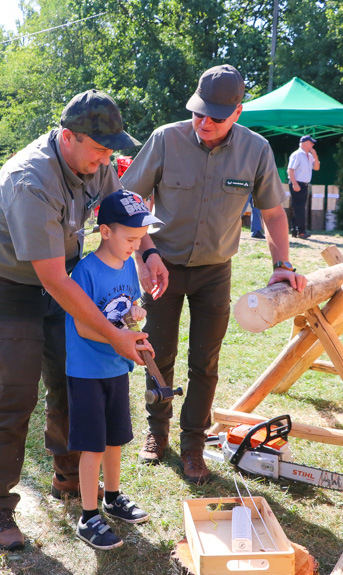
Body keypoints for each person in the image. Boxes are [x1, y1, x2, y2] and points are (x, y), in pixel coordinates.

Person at [0, 89, 148, 551]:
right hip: (8, 282)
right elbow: (50, 279)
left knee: (71, 379)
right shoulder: (32, 180)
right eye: (99, 149)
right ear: (68, 138)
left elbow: (122, 211)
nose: (106, 160)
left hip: (61, 275)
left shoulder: (98, 159)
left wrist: (147, 254)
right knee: (18, 392)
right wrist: (115, 335)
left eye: (111, 151)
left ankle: (70, 478)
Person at [120, 64, 306, 485]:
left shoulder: (256, 150)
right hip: (160, 265)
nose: (204, 123)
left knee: (205, 360)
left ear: (237, 112)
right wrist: (145, 254)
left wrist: (282, 266)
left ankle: (192, 445)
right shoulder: (166, 139)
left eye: (216, 117)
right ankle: (157, 432)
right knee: (158, 353)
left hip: (214, 272)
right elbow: (130, 198)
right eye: (198, 112)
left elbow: (274, 212)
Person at [67, 190, 159, 550]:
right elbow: (84, 326)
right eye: (131, 239)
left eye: (140, 240)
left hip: (116, 369)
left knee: (115, 439)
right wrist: (120, 335)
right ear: (105, 231)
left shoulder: (127, 267)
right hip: (87, 371)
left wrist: (137, 315)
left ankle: (113, 497)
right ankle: (88, 515)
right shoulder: (86, 271)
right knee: (92, 446)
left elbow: (129, 307)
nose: (136, 247)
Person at [287, 134, 320, 239]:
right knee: (299, 208)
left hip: (304, 184)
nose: (312, 145)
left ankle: (295, 230)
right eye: (311, 143)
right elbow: (290, 169)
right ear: (304, 144)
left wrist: (315, 156)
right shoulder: (297, 154)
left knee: (298, 208)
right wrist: (295, 183)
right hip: (297, 183)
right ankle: (301, 231)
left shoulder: (309, 156)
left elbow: (316, 168)